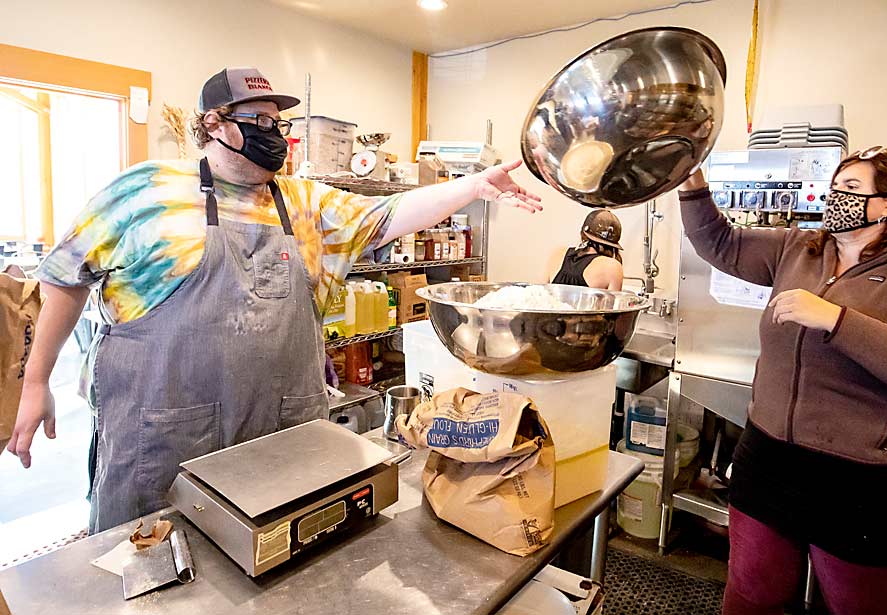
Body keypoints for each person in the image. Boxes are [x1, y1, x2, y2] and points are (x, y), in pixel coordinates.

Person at [6, 67, 542, 533]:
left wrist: (473, 186)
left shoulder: (306, 203)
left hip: (279, 440)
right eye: (258, 121)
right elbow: (64, 277)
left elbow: (392, 213)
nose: (275, 134)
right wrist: (35, 383)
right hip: (162, 446)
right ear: (213, 124)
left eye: (279, 123)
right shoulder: (145, 192)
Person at [676, 146, 887, 615]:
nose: (835, 197)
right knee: (751, 594)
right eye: (835, 186)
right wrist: (690, 183)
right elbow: (721, 244)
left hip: (865, 487)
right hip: (769, 463)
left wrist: (838, 320)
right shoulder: (800, 249)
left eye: (852, 189)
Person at [549, 209, 624, 290]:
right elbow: (613, 302)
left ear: (583, 233)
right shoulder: (613, 267)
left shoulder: (558, 253)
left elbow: (539, 295)